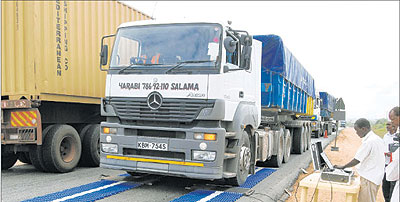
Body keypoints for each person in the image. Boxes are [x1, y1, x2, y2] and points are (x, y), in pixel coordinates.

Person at [334, 118, 385, 202]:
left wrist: (343, 167)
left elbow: (357, 160)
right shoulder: (377, 139)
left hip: (369, 177)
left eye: (357, 130)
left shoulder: (369, 141)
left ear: (364, 129)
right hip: (375, 177)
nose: (356, 133)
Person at [382, 122, 397, 202]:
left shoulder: (397, 136)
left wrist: (392, 154)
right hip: (386, 164)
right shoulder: (385, 136)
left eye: (389, 125)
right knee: (385, 185)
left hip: (394, 164)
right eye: (386, 125)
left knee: (393, 185)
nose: (387, 126)